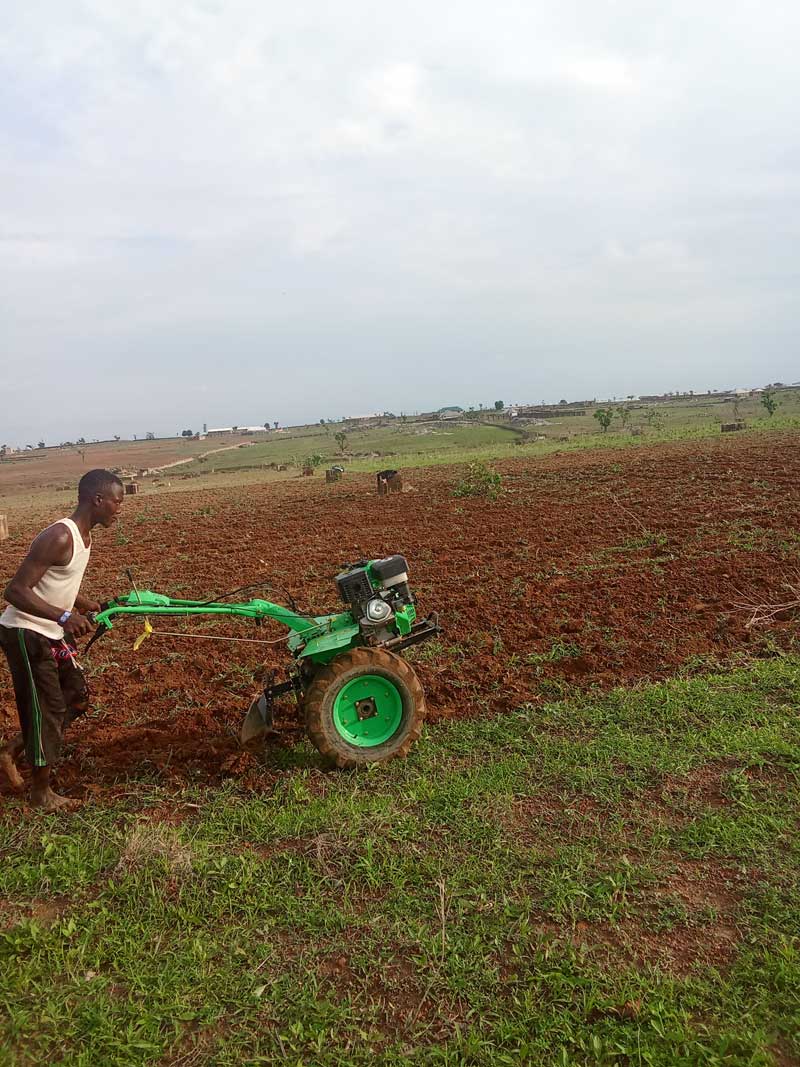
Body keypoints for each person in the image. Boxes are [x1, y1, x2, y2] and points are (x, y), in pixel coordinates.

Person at [0, 469, 124, 811]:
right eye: (117, 501)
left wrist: (84, 604)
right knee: (47, 709)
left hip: (48, 630)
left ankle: (10, 752)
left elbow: (56, 581)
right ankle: (41, 794)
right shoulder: (60, 536)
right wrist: (65, 617)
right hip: (26, 632)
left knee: (76, 696)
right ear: (97, 500)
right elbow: (15, 591)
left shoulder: (85, 537)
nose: (119, 509)